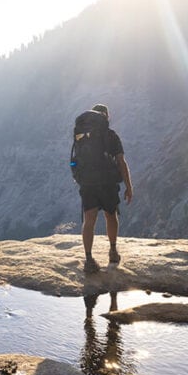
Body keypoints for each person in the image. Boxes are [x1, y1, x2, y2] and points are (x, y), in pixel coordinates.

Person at [79, 103, 133, 273]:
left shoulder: (81, 136)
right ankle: (113, 251)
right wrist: (128, 186)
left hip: (87, 184)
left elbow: (76, 160)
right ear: (106, 117)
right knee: (111, 215)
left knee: (89, 220)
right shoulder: (111, 136)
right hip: (108, 183)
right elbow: (121, 162)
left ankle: (88, 259)